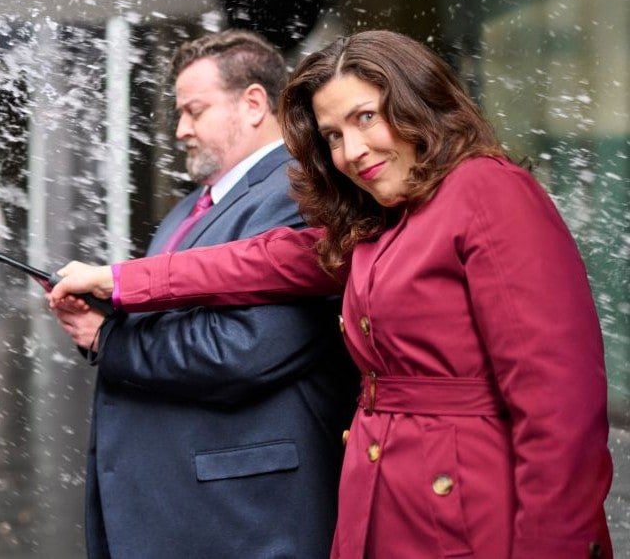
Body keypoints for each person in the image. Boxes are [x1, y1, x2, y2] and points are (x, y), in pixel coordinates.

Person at [49, 30, 614, 558]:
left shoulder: (487, 190)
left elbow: (560, 411)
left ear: (418, 102)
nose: (352, 150)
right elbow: (260, 259)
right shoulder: (381, 217)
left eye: (366, 117)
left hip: (469, 512)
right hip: (381, 503)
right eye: (334, 136)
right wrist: (116, 281)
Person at [50, 30, 356, 559]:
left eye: (194, 110)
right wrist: (101, 318)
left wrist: (110, 341)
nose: (180, 130)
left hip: (245, 516)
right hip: (188, 507)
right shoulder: (191, 206)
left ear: (255, 102)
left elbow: (249, 348)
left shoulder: (300, 190)